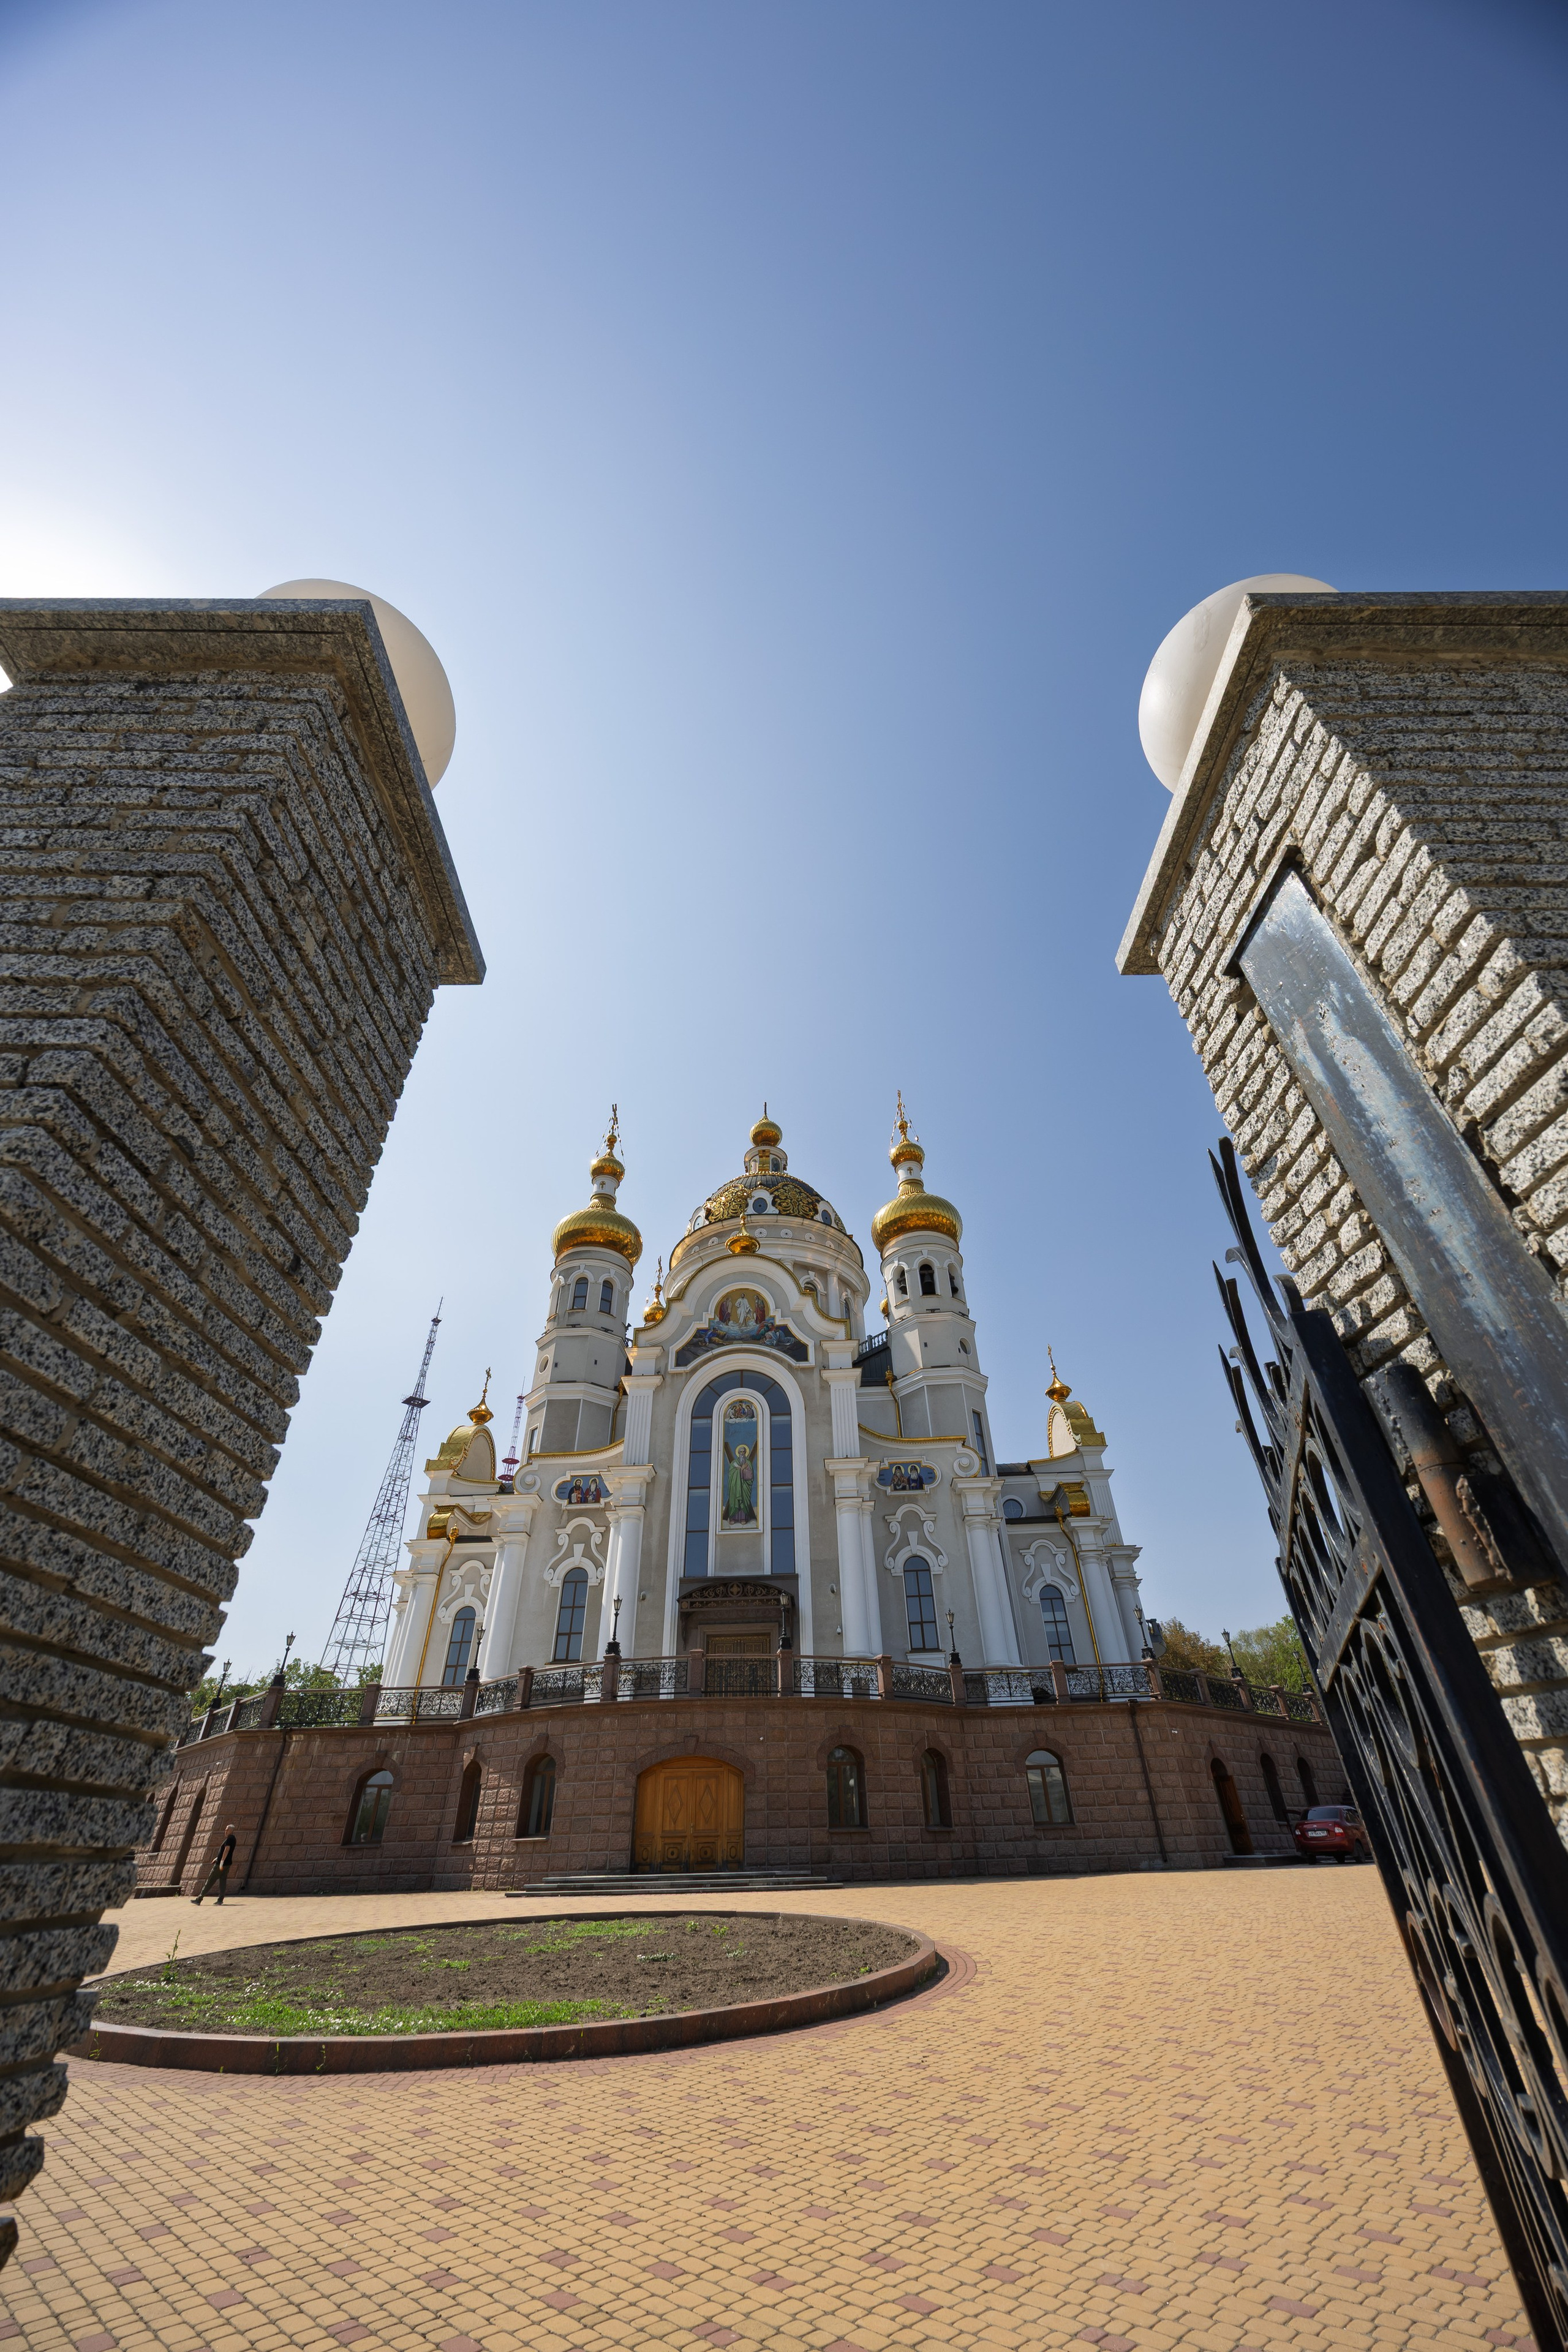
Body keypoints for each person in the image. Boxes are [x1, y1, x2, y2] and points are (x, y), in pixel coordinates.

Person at [193, 1823, 238, 1905]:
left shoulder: (229, 1839)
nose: (226, 1831)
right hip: (227, 1864)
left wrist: (221, 1861)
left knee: (210, 1881)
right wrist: (218, 1858)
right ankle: (220, 1900)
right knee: (223, 1881)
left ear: (231, 1830)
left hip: (221, 1865)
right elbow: (227, 1852)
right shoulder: (233, 1839)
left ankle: (199, 1899)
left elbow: (227, 1850)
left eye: (227, 1829)